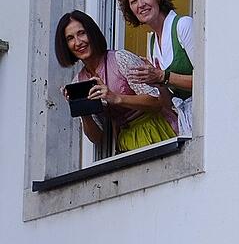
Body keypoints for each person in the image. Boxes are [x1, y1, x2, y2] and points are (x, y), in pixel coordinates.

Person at [55, 10, 176, 154]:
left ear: (92, 33)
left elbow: (157, 101)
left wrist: (116, 98)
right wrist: (81, 108)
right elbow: (97, 137)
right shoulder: (78, 81)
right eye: (70, 38)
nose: (78, 42)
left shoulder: (120, 58)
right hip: (125, 142)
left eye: (81, 33)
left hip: (155, 130)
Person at [119, 0, 194, 137]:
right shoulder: (152, 42)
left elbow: (206, 82)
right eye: (133, 1)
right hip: (186, 123)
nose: (141, 4)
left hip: (205, 117)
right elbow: (166, 104)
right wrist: (155, 83)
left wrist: (162, 76)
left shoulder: (183, 25)